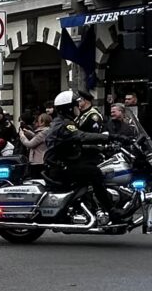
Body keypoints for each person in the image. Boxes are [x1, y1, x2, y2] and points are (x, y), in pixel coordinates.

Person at [45, 90, 128, 222]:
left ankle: (92, 207)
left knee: (94, 169)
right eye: (76, 105)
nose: (79, 107)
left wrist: (102, 146)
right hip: (61, 167)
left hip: (63, 164)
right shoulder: (65, 124)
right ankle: (111, 211)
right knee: (94, 172)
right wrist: (112, 137)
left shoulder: (63, 121)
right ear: (69, 107)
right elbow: (82, 136)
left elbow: (74, 143)